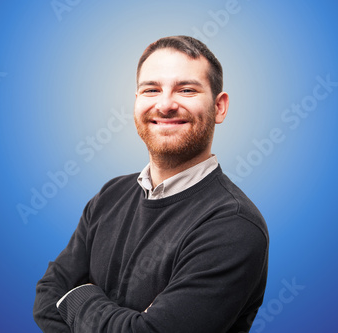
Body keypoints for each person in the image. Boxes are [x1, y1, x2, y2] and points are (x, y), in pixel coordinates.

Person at [33, 35, 269, 333]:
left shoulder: (233, 225)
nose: (166, 104)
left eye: (186, 89)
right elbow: (46, 298)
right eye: (151, 90)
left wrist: (78, 297)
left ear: (219, 107)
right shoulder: (110, 196)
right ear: (137, 103)